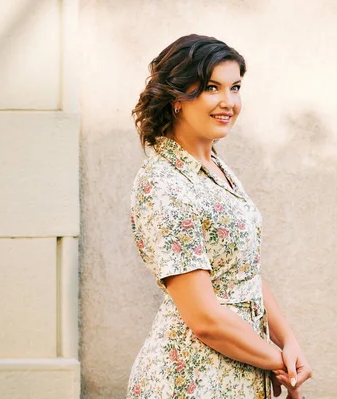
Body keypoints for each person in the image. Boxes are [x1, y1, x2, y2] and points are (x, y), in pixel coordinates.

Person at [127, 34, 312, 399]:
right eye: (212, 88)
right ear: (177, 97)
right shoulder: (163, 183)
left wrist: (288, 341)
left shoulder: (215, 168)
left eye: (235, 87)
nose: (229, 102)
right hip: (192, 382)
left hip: (241, 369)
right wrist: (279, 363)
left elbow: (244, 271)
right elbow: (205, 319)